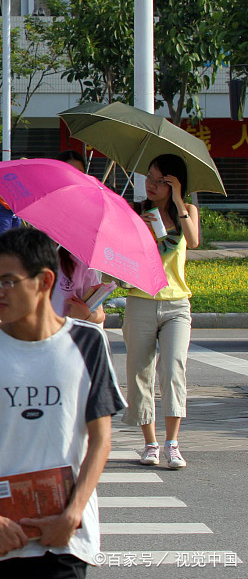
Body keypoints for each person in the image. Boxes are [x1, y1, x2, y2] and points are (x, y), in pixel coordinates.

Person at [0, 227, 125, 577]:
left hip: (66, 537)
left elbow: (101, 439)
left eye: (8, 282)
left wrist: (72, 514)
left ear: (44, 281)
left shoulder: (87, 343)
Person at [125, 154, 199, 470]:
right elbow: (121, 254)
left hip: (177, 303)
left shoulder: (187, 211)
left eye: (160, 180)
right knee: (140, 372)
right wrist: (136, 232)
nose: (151, 185)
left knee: (173, 368)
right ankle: (150, 443)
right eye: (149, 178)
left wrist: (180, 199)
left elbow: (193, 241)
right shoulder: (136, 211)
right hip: (140, 300)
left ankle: (172, 443)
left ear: (173, 183)